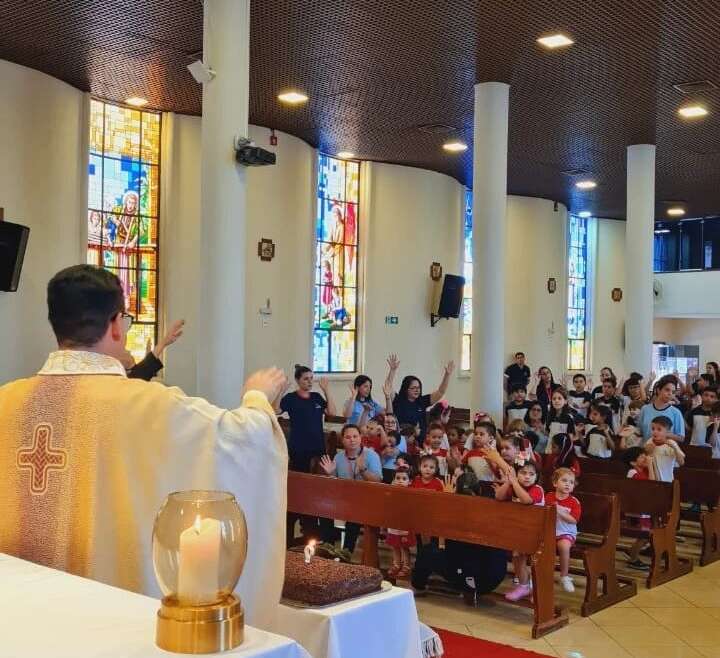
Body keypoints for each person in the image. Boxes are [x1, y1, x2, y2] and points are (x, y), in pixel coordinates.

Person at [0, 265, 288, 628]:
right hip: (108, 627)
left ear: (56, 325)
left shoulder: (6, 402)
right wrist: (258, 395)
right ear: (116, 324)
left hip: (12, 619)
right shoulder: (149, 404)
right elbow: (241, 439)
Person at [319, 424, 382, 553]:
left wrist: (363, 470)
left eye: (355, 436)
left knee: (354, 512)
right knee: (323, 506)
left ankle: (347, 550)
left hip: (365, 499)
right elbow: (334, 483)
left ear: (360, 438)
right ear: (342, 440)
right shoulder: (339, 457)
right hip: (343, 498)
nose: (352, 440)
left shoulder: (371, 455)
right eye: (348, 437)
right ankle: (328, 545)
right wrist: (330, 473)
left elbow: (378, 481)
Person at [494, 460, 544, 601]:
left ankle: (532, 588)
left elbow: (527, 500)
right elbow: (498, 497)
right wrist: (508, 482)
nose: (527, 477)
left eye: (531, 474)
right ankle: (524, 585)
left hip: (537, 531)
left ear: (537, 477)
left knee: (530, 561)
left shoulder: (537, 489)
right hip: (520, 530)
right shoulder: (513, 486)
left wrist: (514, 482)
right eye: (523, 473)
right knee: (517, 559)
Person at [391, 359, 455, 441]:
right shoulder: (398, 400)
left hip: (421, 443)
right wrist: (392, 371)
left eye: (418, 388)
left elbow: (440, 392)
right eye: (413, 388)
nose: (417, 390)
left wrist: (447, 375)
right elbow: (388, 388)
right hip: (403, 441)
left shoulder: (421, 401)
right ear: (406, 389)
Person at [545, 468, 582, 593]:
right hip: (550, 531)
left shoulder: (574, 502)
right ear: (555, 483)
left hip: (566, 532)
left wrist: (559, 511)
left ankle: (564, 576)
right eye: (564, 480)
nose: (568, 484)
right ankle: (538, 575)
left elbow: (574, 520)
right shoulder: (548, 497)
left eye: (571, 482)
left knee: (564, 546)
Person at [121, 319, 185, 381]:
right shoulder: (127, 381)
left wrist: (165, 341)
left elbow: (142, 370)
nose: (129, 351)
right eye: (124, 349)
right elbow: (141, 372)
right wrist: (164, 342)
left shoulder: (133, 377)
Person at [343, 355, 399, 424]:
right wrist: (354, 396)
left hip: (368, 431)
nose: (368, 389)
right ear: (357, 387)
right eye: (365, 386)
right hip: (355, 432)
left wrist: (387, 397)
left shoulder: (371, 402)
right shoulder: (350, 402)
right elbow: (346, 416)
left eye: (370, 387)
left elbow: (389, 414)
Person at [386, 466, 416, 579]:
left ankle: (406, 566)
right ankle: (396, 564)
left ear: (410, 481)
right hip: (393, 524)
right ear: (393, 479)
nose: (400, 481)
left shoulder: (410, 494)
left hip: (405, 526)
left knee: (404, 547)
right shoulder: (391, 493)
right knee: (394, 546)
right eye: (398, 478)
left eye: (404, 479)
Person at [638, 375, 685, 441]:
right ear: (658, 390)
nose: (670, 394)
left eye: (673, 392)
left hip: (665, 450)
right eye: (667, 390)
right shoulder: (645, 409)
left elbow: (681, 438)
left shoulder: (676, 413)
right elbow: (639, 431)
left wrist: (664, 434)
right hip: (646, 448)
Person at [645, 416, 685, 482]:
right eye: (653, 429)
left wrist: (675, 448)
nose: (655, 431)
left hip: (667, 480)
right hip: (652, 479)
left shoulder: (672, 443)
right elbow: (646, 455)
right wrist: (649, 450)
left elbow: (681, 462)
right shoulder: (649, 442)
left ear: (668, 431)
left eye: (659, 429)